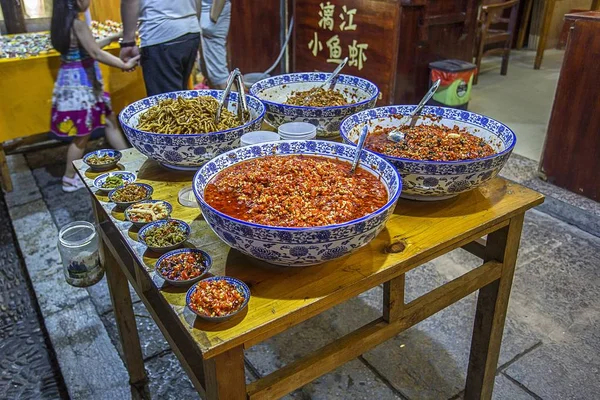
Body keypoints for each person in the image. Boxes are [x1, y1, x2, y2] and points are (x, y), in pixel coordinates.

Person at [50, 0, 139, 192]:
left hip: (74, 83)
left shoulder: (62, 24)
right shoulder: (78, 24)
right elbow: (94, 52)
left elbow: (89, 46)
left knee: (109, 121)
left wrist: (114, 37)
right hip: (83, 88)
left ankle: (131, 160)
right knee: (82, 135)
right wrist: (124, 65)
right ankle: (69, 177)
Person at [120, 0, 201, 96]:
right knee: (179, 98)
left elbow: (130, 2)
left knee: (166, 103)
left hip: (160, 32)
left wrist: (128, 43)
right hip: (190, 29)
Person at [198, 0, 231, 89]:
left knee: (219, 76)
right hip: (205, 15)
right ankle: (217, 102)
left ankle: (235, 103)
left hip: (212, 16)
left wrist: (213, 17)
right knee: (208, 73)